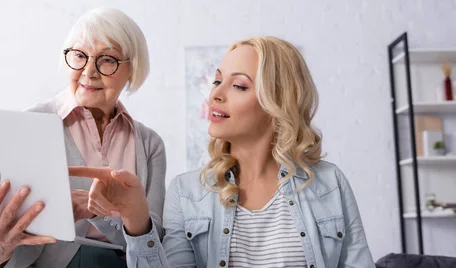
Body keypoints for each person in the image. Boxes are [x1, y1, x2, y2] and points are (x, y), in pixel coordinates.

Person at [69, 36, 375, 268]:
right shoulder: (187, 193)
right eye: (217, 81)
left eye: (239, 86)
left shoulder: (329, 183)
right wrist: (136, 220)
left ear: (277, 101)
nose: (215, 93)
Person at [0, 7, 166, 268]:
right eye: (79, 55)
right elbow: (8, 233)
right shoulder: (29, 124)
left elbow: (153, 240)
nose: (89, 71)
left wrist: (100, 212)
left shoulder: (149, 144)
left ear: (132, 68)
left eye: (107, 59)